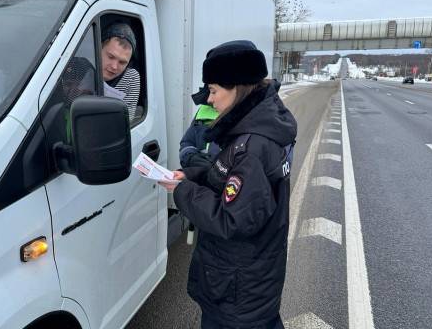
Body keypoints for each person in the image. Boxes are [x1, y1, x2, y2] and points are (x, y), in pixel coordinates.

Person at [159, 40, 297, 329]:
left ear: (237, 88)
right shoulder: (254, 130)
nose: (209, 100)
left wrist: (183, 191)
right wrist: (194, 177)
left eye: (213, 90)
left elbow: (231, 219)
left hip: (239, 288)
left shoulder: (254, 144)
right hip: (250, 277)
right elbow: (232, 178)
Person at [101, 22, 140, 121]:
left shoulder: (130, 78)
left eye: (122, 62)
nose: (114, 67)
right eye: (110, 57)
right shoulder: (81, 67)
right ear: (99, 47)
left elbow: (125, 121)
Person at [179, 84, 220, 170]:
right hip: (199, 176)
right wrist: (190, 158)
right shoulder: (203, 109)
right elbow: (187, 142)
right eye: (211, 91)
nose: (209, 99)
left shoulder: (244, 116)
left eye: (214, 92)